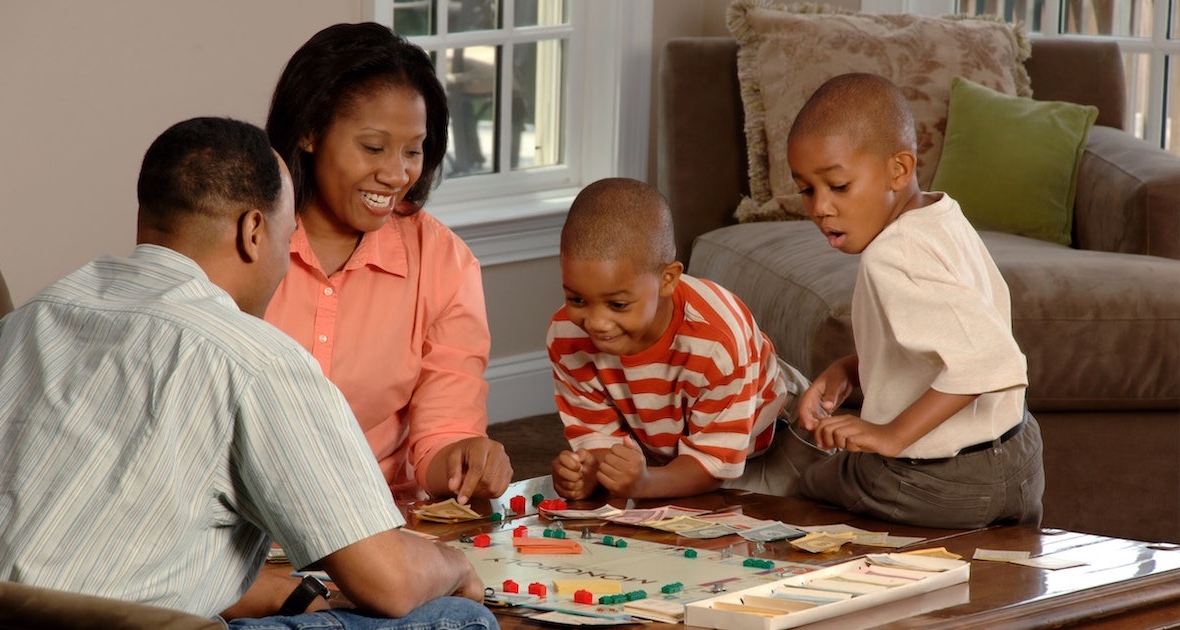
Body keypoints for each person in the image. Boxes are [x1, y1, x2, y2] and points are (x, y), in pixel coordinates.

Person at [0, 117, 496, 630]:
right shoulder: (257, 359)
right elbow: (390, 583)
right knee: (458, 617)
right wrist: (456, 566)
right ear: (253, 231)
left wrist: (291, 595)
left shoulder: (28, 322)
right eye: (287, 233)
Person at [264, 22, 511, 505]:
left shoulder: (444, 261)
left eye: (413, 151)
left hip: (378, 517)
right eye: (373, 147)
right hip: (250, 522)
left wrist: (465, 460)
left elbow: (443, 432)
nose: (397, 174)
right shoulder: (244, 240)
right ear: (310, 131)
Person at [787, 73, 1045, 529]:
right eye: (807, 189)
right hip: (1019, 458)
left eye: (838, 186)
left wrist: (890, 435)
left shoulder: (892, 254)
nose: (820, 208)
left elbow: (990, 362)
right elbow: (958, 336)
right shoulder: (942, 215)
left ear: (898, 170)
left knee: (807, 485)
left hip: (940, 479)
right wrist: (851, 368)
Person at [547, 177, 824, 501]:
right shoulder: (567, 336)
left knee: (761, 518)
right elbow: (600, 444)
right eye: (576, 300)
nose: (595, 322)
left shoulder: (716, 339)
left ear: (668, 280)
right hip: (672, 449)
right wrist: (589, 472)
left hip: (772, 439)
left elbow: (712, 464)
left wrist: (646, 483)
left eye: (618, 304)